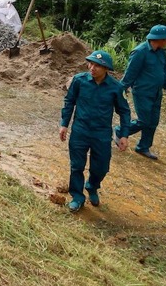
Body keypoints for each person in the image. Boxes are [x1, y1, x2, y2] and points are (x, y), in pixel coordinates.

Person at [59, 50, 131, 213]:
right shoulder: (79, 81)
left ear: (106, 69)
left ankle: (92, 186)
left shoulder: (116, 88)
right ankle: (77, 197)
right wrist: (64, 124)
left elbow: (124, 111)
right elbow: (69, 101)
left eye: (98, 66)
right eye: (91, 64)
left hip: (101, 134)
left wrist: (124, 135)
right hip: (80, 131)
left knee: (101, 167)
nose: (92, 68)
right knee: (77, 166)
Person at [119, 24, 166, 160]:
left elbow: (165, 72)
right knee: (144, 121)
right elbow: (130, 73)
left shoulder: (161, 52)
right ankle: (120, 131)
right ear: (159, 39)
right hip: (142, 92)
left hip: (156, 93)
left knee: (153, 121)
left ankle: (143, 147)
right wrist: (120, 89)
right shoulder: (140, 52)